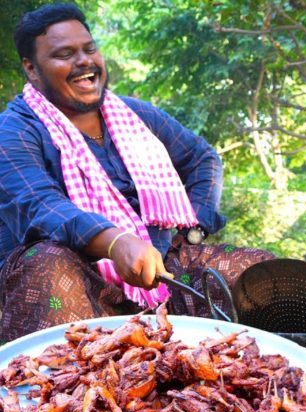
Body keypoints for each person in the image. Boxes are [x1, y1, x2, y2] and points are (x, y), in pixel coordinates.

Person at [0, 4, 274, 341]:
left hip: (158, 270)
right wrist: (116, 242)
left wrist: (192, 232)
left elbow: (203, 159)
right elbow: (41, 205)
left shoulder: (135, 114)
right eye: (64, 54)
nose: (85, 61)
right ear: (31, 68)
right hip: (75, 281)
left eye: (89, 49)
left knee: (263, 274)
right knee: (47, 265)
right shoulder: (13, 131)